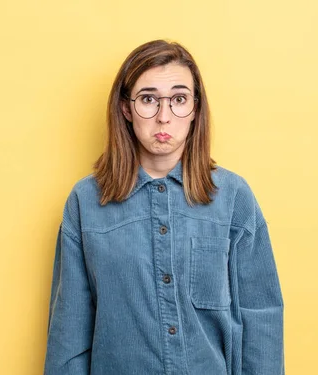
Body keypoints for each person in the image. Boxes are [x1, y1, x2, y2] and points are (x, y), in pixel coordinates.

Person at [43, 40, 284, 375]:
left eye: (179, 99)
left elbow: (261, 318)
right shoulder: (86, 202)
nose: (163, 117)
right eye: (148, 99)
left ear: (196, 108)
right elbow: (69, 331)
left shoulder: (233, 197)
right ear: (126, 109)